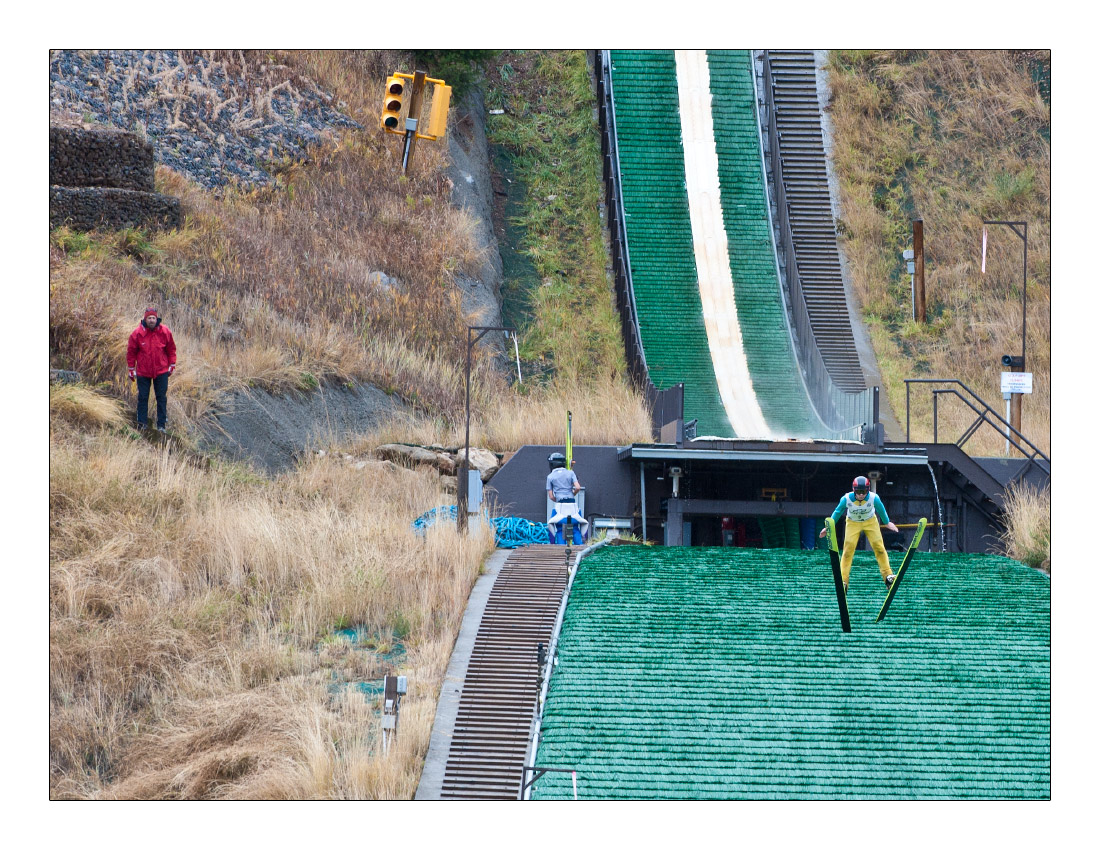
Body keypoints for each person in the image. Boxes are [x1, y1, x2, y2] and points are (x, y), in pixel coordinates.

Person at [819, 475, 899, 592]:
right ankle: (843, 581)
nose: (861, 495)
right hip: (853, 523)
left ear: (868, 490)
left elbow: (881, 509)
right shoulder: (846, 499)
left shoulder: (873, 498)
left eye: (864, 492)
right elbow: (838, 512)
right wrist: (828, 528)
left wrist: (887, 522)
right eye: (859, 492)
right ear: (854, 490)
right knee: (848, 549)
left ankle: (887, 576)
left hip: (870, 521)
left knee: (879, 546)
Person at [126, 308, 176, 431]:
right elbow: (131, 352)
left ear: (156, 319)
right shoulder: (137, 333)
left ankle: (161, 425)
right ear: (145, 319)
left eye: (153, 318)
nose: (151, 320)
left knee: (161, 398)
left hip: (161, 371)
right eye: (149, 318)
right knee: (143, 397)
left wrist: (172, 364)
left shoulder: (165, 332)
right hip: (143, 372)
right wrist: (131, 368)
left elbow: (171, 349)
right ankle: (142, 424)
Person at [546, 452, 588, 545]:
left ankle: (555, 547)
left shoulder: (550, 477)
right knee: (575, 529)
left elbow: (551, 496)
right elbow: (577, 487)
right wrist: (573, 494)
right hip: (573, 506)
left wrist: (557, 500)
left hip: (560, 507)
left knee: (559, 530)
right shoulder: (571, 473)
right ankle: (581, 547)